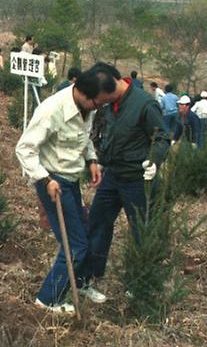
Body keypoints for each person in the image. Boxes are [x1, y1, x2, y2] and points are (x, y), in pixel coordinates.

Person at [15, 70, 104, 314]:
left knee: (83, 233)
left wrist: (91, 160)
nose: (98, 107)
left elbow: (84, 139)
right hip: (53, 182)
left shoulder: (88, 108)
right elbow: (24, 149)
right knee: (75, 245)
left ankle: (79, 282)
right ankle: (48, 299)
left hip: (71, 179)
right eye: (97, 102)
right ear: (83, 93)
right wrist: (44, 180)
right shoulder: (51, 110)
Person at [85, 62, 171, 285]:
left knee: (141, 230)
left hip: (137, 179)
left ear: (110, 87)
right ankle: (92, 273)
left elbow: (161, 137)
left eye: (100, 96)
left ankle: (142, 281)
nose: (99, 102)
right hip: (113, 174)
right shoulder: (109, 105)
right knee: (98, 221)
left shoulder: (145, 104)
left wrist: (155, 161)